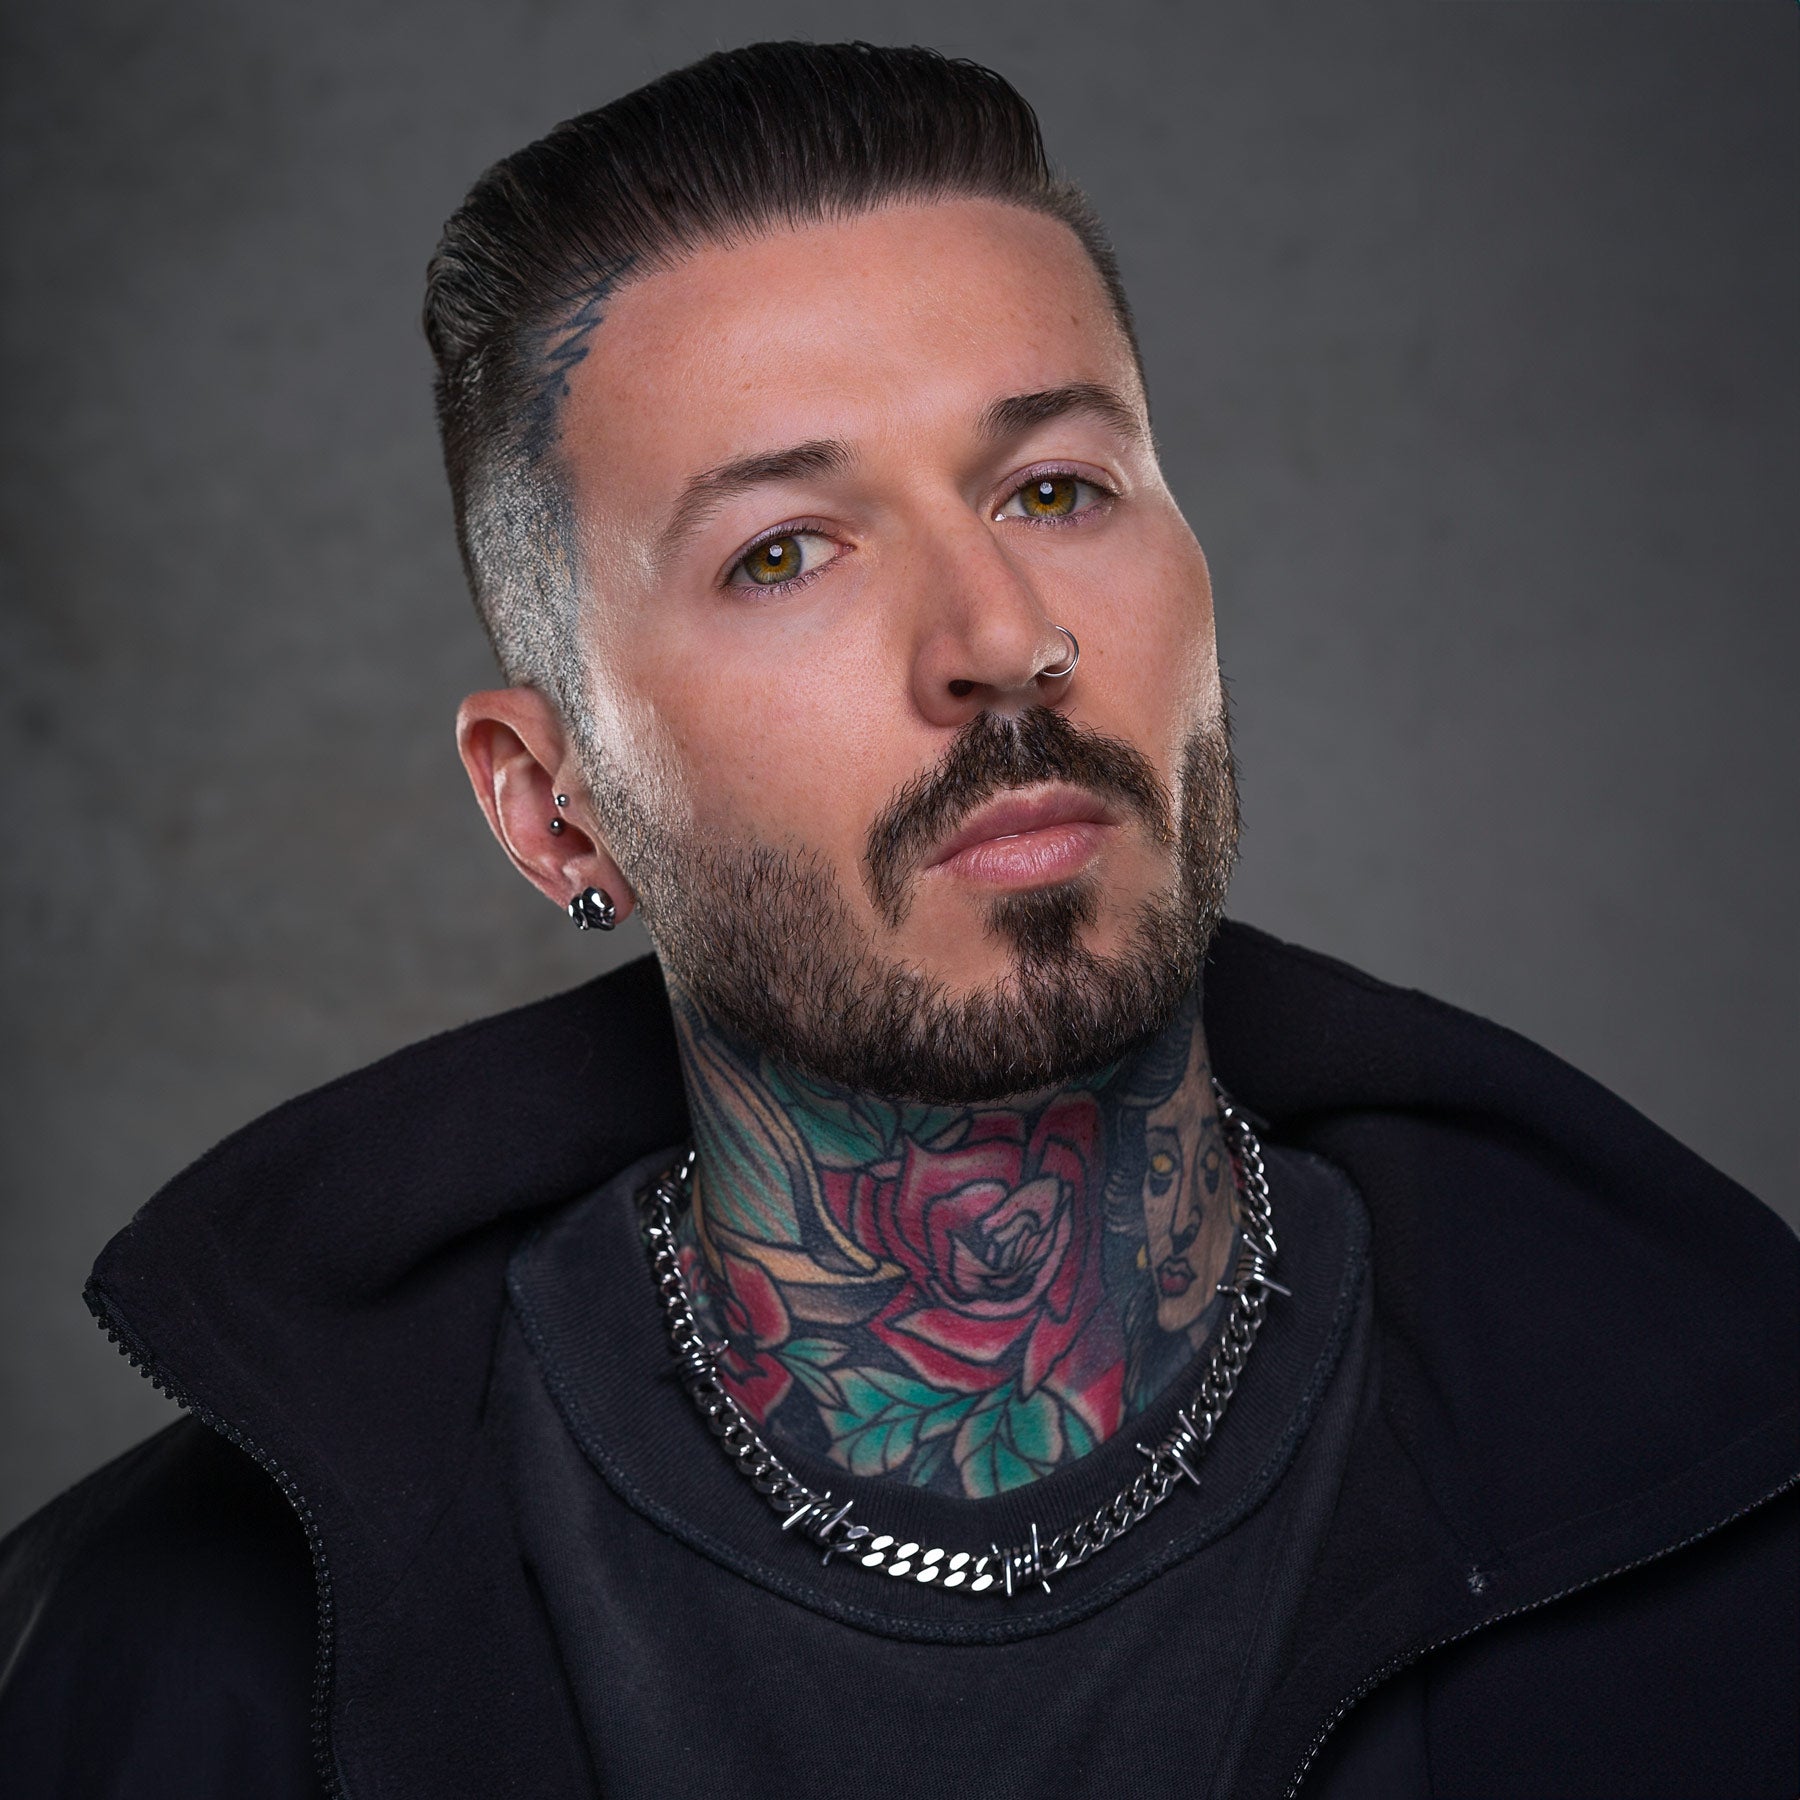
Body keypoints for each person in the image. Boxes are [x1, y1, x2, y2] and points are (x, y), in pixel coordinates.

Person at [0, 41, 1793, 1800]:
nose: (1002, 637)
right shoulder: (149, 1667)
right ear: (551, 806)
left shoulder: (1721, 1495)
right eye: (784, 550)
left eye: (1056, 489)